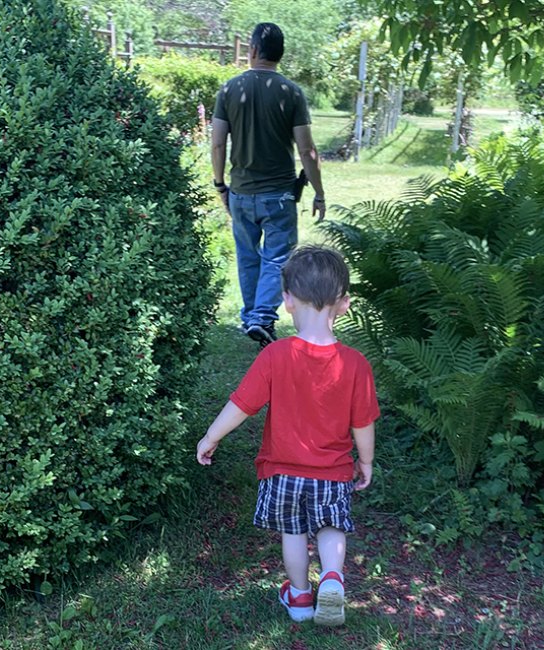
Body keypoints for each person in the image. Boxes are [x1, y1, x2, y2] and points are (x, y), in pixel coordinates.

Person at [195, 246, 379, 626]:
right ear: (344, 304)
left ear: (287, 301)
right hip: (331, 470)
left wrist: (211, 436)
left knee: (292, 533)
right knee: (332, 526)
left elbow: (242, 405)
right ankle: (331, 577)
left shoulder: (276, 355)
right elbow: (363, 423)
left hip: (282, 471)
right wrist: (365, 461)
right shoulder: (355, 365)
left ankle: (298, 598)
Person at [211, 22, 326, 349]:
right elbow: (306, 149)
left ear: (253, 51)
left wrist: (221, 185)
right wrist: (318, 191)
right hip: (279, 195)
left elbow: (218, 144)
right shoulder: (291, 93)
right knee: (277, 258)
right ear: (281, 54)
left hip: (241, 193)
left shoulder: (229, 90)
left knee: (248, 256)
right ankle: (260, 318)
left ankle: (252, 319)